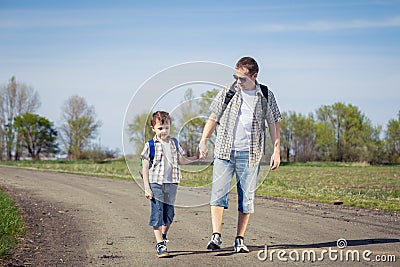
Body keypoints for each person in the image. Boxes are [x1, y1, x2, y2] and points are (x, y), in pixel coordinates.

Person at [198, 56, 282, 253]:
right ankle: (216, 235)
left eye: (242, 78)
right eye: (236, 77)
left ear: (254, 76)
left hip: (250, 154)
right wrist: (203, 139)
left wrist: (276, 150)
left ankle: (239, 239)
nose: (238, 81)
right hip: (224, 151)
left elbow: (274, 123)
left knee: (247, 198)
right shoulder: (229, 91)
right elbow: (214, 116)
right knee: (218, 194)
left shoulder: (265, 94)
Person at [141, 111, 198, 258]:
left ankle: (163, 236)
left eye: (166, 127)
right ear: (153, 128)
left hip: (172, 183)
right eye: (160, 128)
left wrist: (196, 157)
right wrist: (147, 188)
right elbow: (145, 167)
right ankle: (160, 244)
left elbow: (182, 160)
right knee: (157, 212)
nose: (164, 131)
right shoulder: (150, 145)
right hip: (156, 183)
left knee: (169, 214)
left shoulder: (174, 143)